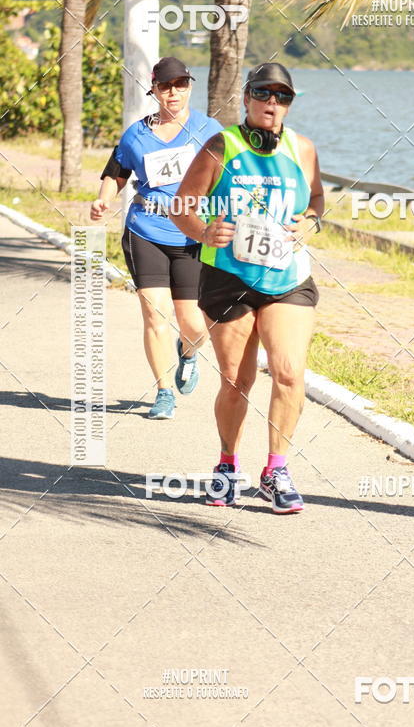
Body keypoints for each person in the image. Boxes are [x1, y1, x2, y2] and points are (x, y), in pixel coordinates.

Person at [170, 62, 324, 513]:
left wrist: (312, 220)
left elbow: (316, 197)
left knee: (290, 371)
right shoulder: (221, 145)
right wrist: (202, 232)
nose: (272, 103)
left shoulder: (304, 149)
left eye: (282, 96)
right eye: (263, 93)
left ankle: (276, 471)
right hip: (229, 278)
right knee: (237, 381)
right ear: (247, 98)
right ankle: (227, 465)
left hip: (287, 278)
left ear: (290, 104)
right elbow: (183, 205)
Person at [91, 57, 222, 419]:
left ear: (190, 87)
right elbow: (116, 171)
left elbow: (229, 173)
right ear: (154, 90)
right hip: (145, 230)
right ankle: (163, 392)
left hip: (192, 235)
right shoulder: (137, 133)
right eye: (165, 85)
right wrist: (103, 201)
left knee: (196, 325)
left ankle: (189, 351)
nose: (174, 92)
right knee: (154, 313)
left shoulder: (208, 129)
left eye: (181, 84)